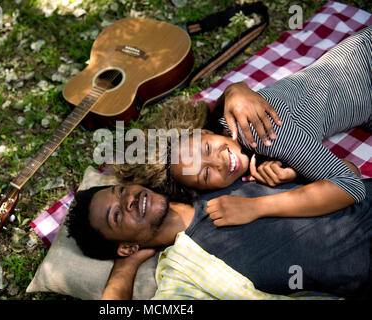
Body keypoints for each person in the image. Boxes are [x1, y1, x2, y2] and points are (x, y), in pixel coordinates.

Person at [114, 26, 371, 226]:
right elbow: (349, 170)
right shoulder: (242, 141)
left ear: (204, 131)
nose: (219, 162)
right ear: (204, 190)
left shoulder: (261, 133)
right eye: (205, 175)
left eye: (206, 148)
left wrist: (256, 208)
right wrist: (297, 171)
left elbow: (350, 185)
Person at [66, 180, 372, 299]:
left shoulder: (210, 177)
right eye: (117, 216)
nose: (128, 201)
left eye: (120, 191)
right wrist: (125, 266)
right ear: (127, 245)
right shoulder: (184, 275)